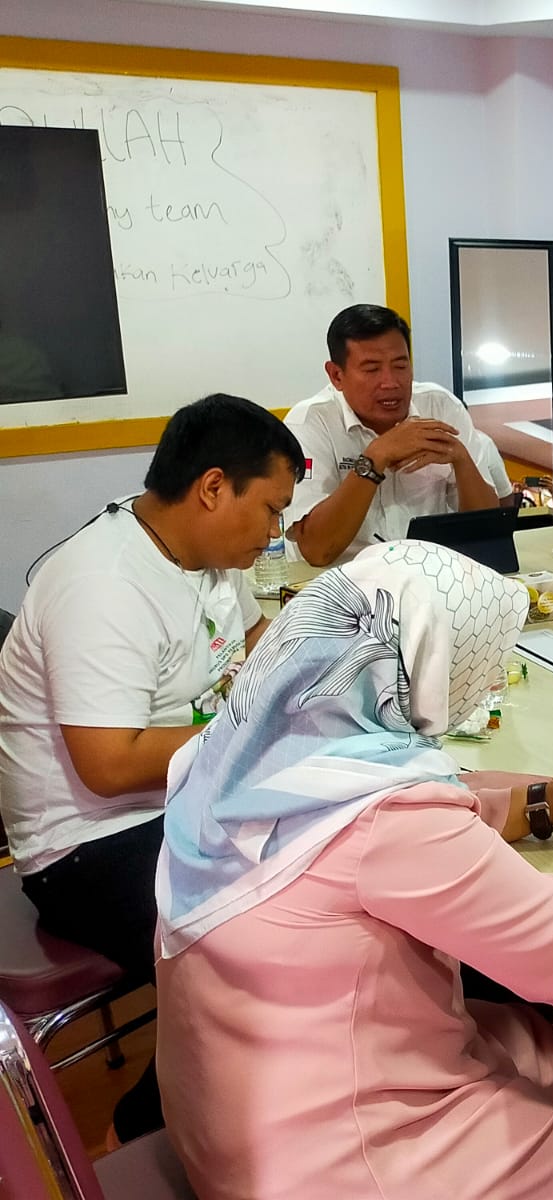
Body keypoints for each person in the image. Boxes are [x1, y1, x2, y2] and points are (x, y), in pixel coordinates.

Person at [155, 540, 553, 1200]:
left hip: (232, 1118)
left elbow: (416, 826)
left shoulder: (247, 753)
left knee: (534, 1044)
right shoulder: (392, 819)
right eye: (476, 666)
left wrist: (539, 802)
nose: (484, 683)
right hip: (338, 1161)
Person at [0, 393, 302, 1143]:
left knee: (333, 864)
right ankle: (146, 1125)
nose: (275, 533)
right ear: (213, 488)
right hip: (84, 848)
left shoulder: (206, 556)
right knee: (271, 953)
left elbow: (256, 645)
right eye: (271, 511)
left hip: (181, 804)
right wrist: (251, 727)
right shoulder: (102, 582)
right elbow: (108, 765)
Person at [285, 303, 514, 566]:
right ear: (336, 375)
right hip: (344, 580)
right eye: (372, 369)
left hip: (430, 575)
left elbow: (486, 535)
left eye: (400, 366)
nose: (391, 382)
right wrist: (375, 457)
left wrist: (462, 461)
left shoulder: (441, 407)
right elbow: (317, 550)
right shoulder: (310, 422)